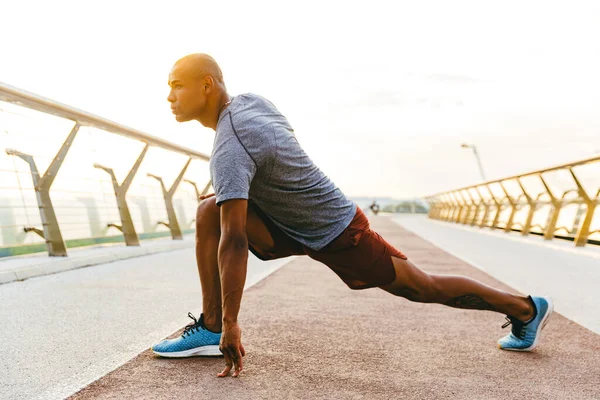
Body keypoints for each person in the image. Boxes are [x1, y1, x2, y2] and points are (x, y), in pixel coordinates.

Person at [152, 54, 553, 378]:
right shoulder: (250, 103)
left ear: (207, 85)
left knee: (421, 286)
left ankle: (526, 309)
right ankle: (210, 325)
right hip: (295, 225)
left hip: (338, 231)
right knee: (211, 210)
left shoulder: (229, 147)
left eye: (176, 85)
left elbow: (236, 241)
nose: (169, 96)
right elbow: (279, 147)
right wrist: (243, 188)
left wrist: (236, 323)